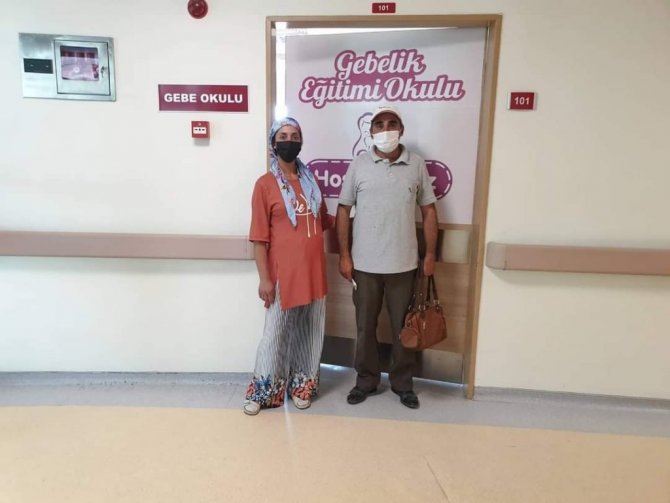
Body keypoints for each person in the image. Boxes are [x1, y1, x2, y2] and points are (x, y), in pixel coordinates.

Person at [336, 105, 438, 409]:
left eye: (392, 124)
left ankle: (403, 383)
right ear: (370, 132)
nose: (385, 130)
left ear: (401, 130)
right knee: (365, 327)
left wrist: (430, 254)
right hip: (364, 265)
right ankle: (365, 381)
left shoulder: (416, 164)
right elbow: (343, 210)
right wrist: (344, 255)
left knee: (403, 328)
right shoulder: (359, 164)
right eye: (379, 125)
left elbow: (429, 211)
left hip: (404, 265)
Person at [243, 117, 332, 416]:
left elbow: (323, 221)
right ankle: (264, 392)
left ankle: (302, 387)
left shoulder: (311, 183)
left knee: (310, 332)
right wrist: (265, 279)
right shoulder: (265, 185)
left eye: (295, 136)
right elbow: (259, 239)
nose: (289, 141)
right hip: (282, 274)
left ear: (301, 142)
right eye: (283, 136)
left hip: (314, 272)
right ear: (273, 143)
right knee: (275, 335)